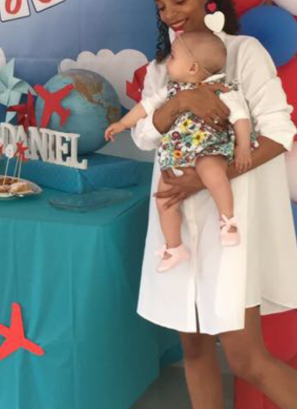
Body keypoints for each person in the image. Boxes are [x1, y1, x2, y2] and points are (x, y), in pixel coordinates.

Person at [133, 0, 297, 409]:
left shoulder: (244, 53)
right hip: (178, 232)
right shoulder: (162, 68)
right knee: (194, 346)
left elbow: (278, 132)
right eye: (161, 6)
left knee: (247, 358)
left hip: (229, 227)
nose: (170, 13)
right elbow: (144, 136)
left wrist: (209, 178)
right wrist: (180, 98)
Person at [106, 29, 253, 271]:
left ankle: (228, 220)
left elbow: (240, 119)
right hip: (176, 154)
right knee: (164, 198)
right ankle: (174, 247)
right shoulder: (172, 90)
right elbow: (145, 107)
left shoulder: (223, 90)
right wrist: (123, 124)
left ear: (193, 68)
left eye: (173, 57)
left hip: (209, 147)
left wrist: (243, 147)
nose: (168, 63)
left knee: (213, 172)